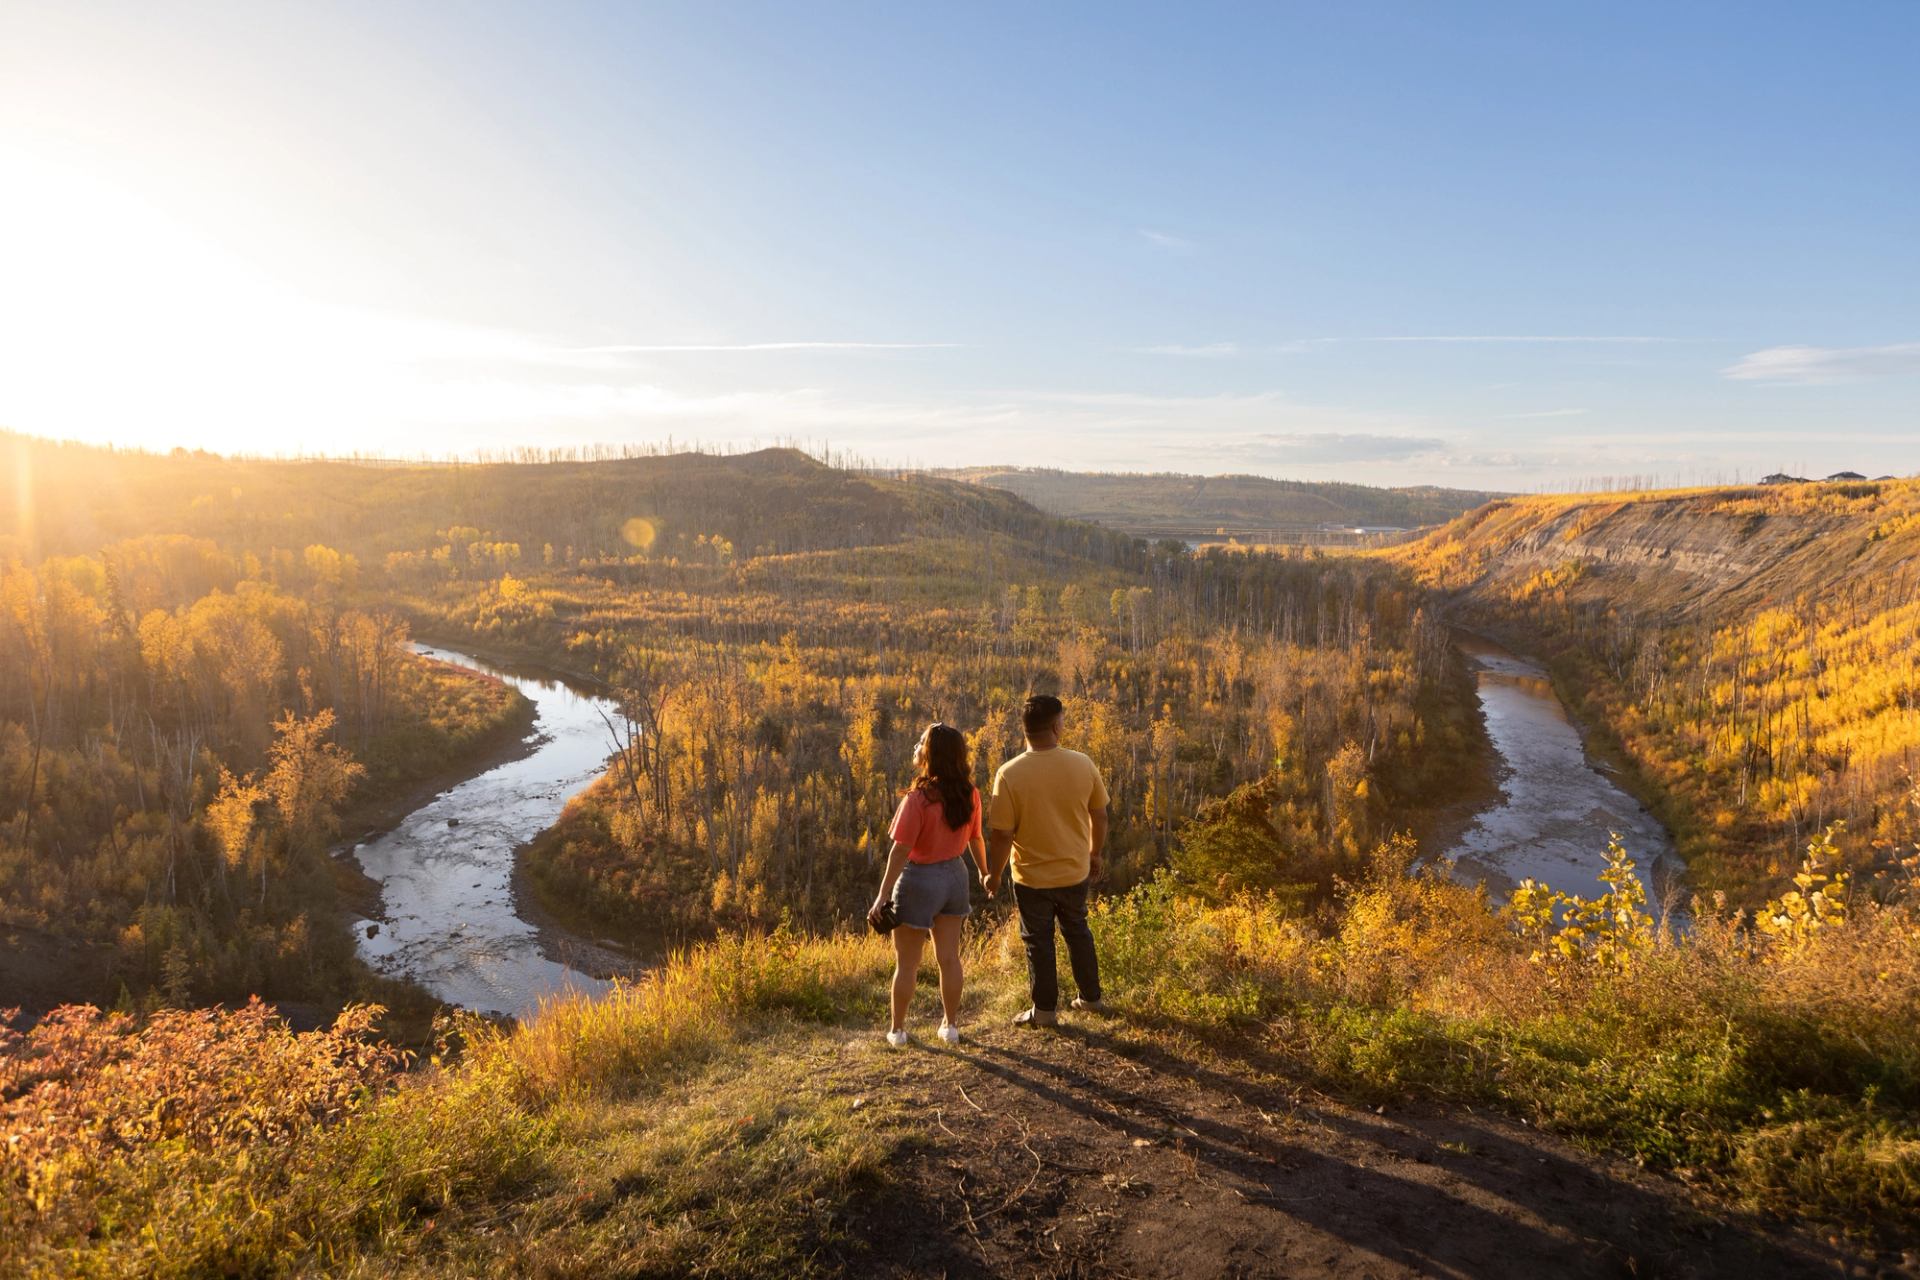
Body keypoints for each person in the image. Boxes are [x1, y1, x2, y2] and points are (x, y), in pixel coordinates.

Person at [984, 694, 1108, 1027]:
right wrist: (1095, 853)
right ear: (1056, 726)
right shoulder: (1082, 763)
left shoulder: (1008, 774)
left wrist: (993, 875)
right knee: (1078, 931)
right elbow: (1100, 814)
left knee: (1038, 941)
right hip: (1074, 871)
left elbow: (1001, 836)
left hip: (1031, 878)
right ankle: (1091, 1000)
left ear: (1025, 731)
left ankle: (1044, 1013)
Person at [867, 722, 985, 1047]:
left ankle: (898, 1031)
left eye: (921, 742)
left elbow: (900, 850)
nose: (916, 746)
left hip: (919, 880)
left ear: (930, 754)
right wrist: (984, 872)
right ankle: (950, 1026)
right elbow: (976, 837)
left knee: (907, 963)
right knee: (949, 958)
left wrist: (882, 896)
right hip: (955, 877)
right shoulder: (970, 794)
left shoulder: (918, 799)